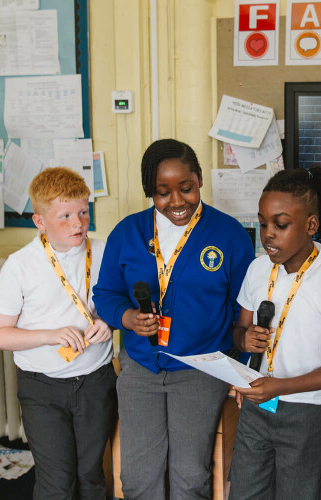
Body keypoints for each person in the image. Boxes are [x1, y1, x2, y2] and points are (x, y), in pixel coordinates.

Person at [92, 139, 255, 499]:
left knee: (190, 477)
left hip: (200, 368)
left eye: (186, 188)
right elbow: (104, 295)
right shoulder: (127, 232)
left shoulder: (229, 235)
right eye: (163, 193)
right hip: (140, 369)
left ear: (198, 180)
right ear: (150, 192)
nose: (177, 201)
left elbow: (245, 309)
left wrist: (242, 371)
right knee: (137, 478)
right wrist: (129, 317)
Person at [0, 167, 116, 500]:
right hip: (42, 386)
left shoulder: (103, 252)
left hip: (95, 379)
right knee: (58, 481)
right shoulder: (20, 265)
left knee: (91, 474)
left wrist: (110, 321)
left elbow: (119, 302)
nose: (78, 223)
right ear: (40, 222)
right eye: (65, 216)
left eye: (84, 212)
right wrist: (49, 335)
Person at [229, 166, 321, 499]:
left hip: (308, 415)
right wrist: (245, 339)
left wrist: (279, 386)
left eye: (280, 224)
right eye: (262, 223)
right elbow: (239, 330)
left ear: (310, 225)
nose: (267, 234)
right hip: (257, 409)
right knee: (244, 492)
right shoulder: (258, 270)